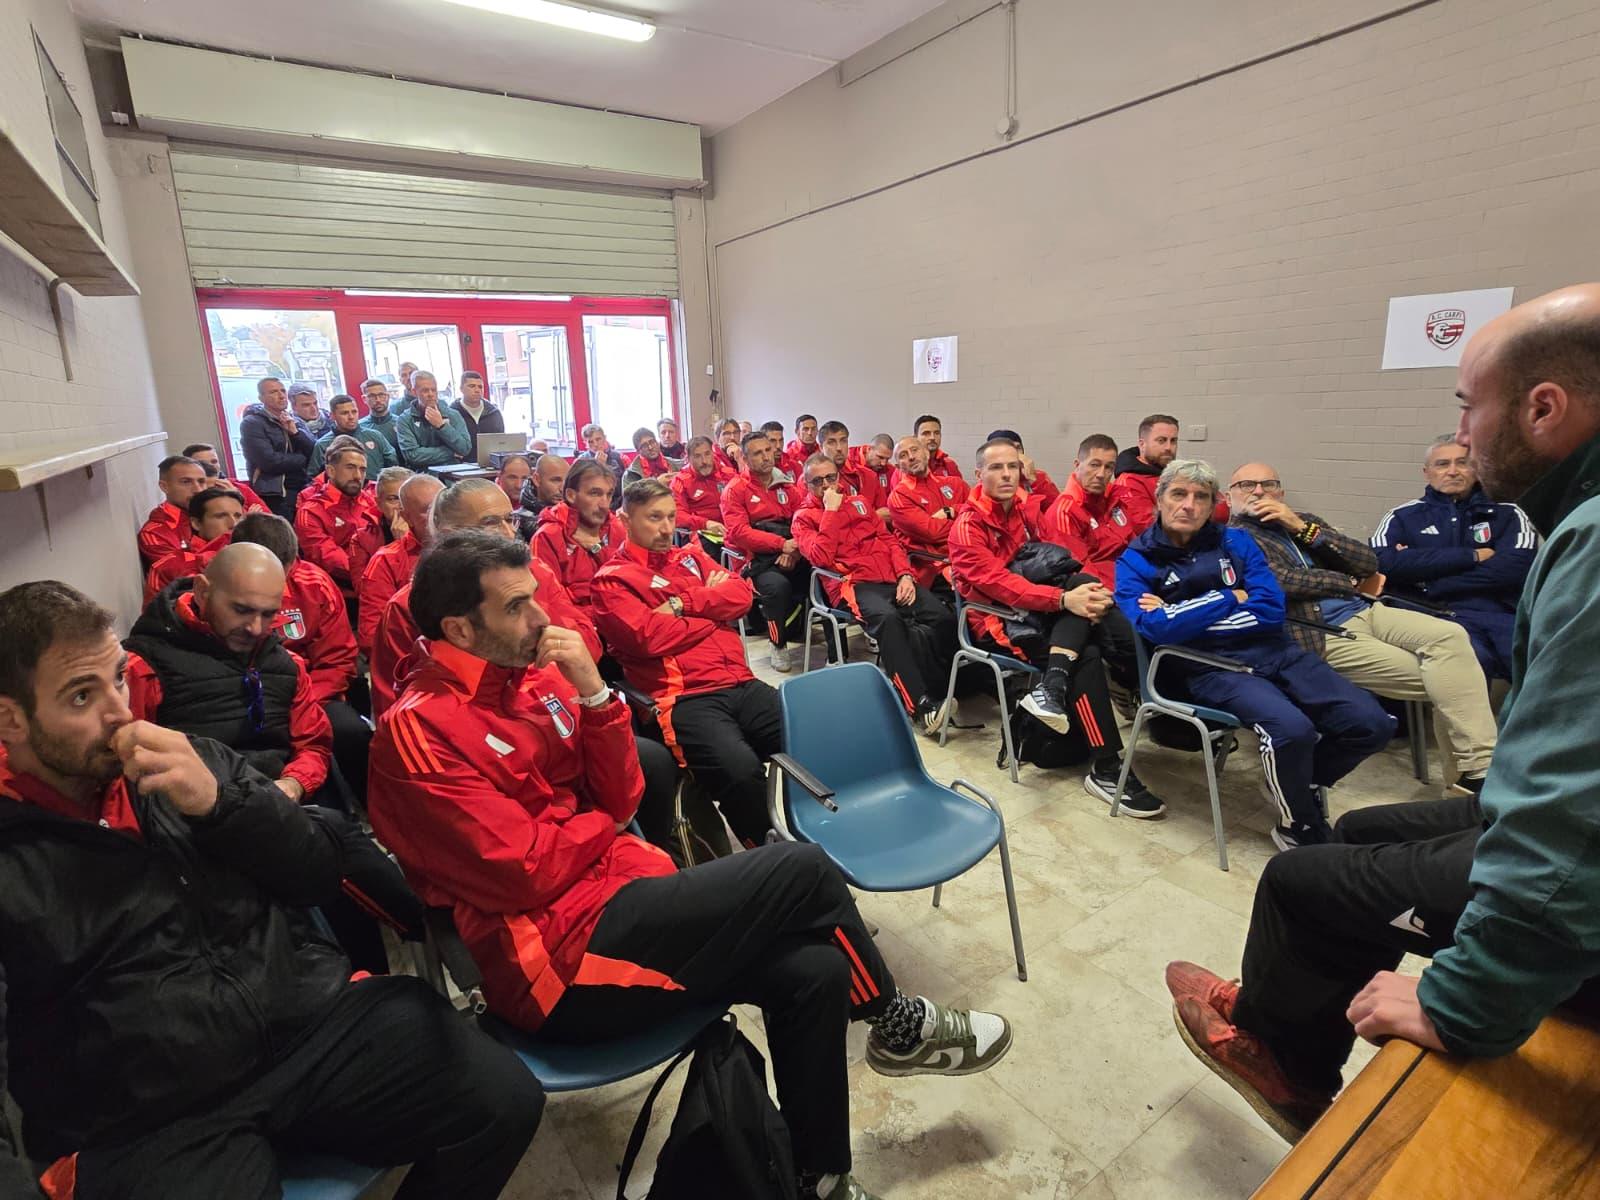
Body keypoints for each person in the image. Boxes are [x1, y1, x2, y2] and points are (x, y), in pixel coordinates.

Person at [371, 530, 1012, 1200]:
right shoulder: (418, 730)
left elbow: (622, 797)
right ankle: (895, 1023)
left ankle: (816, 1178)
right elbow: (524, 871)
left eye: (536, 600)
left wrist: (594, 696)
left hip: (618, 904)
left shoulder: (536, 682)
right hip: (554, 966)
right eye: (516, 608)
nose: (541, 618)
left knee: (815, 970)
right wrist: (596, 826)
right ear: (458, 628)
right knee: (798, 868)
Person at [1166, 282, 1600, 1146]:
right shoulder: (1224, 541)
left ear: (1544, 408)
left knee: (1300, 874)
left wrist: (1462, 1005)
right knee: (1363, 829)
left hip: (1570, 864)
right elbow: (1291, 588)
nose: (1460, 440)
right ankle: (1292, 1002)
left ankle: (1282, 1056)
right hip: (1286, 640)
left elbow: (1572, 827)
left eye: (1466, 410)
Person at [0, 580, 541, 1200]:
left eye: (119, 679)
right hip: (146, 1117)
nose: (119, 713)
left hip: (304, 1022)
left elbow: (313, 872)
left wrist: (221, 805)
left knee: (503, 1101)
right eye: (80, 696)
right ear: (9, 717)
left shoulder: (191, 759)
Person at [1117, 459, 1393, 848]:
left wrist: (1186, 615)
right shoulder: (1136, 559)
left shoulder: (1237, 542)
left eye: (1201, 497)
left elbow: (1269, 609)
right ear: (1160, 500)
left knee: (1372, 722)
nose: (1188, 505)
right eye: (1178, 494)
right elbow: (1157, 629)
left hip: (1277, 650)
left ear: (1214, 504)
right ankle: (1300, 826)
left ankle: (1298, 778)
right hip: (1211, 667)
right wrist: (1230, 596)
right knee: (1291, 730)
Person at [1229, 462, 1497, 794]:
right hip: (1318, 630)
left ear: (1281, 492)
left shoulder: (1306, 523)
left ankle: (1476, 772)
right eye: (1247, 485)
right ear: (1230, 497)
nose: (1258, 491)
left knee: (1454, 639)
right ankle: (1472, 781)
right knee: (1451, 680)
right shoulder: (1234, 538)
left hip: (1369, 610)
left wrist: (1300, 527)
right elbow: (1281, 582)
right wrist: (1347, 581)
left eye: (1268, 484)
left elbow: (1368, 562)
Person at [949, 438, 1163, 814]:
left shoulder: (1023, 509)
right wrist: (1063, 600)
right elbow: (1001, 586)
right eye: (996, 468)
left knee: (1082, 586)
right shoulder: (968, 527)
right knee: (1088, 652)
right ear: (979, 474)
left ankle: (1059, 692)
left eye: (1013, 467)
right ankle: (1107, 765)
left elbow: (1055, 551)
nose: (1006, 475)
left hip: (1042, 611)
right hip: (999, 618)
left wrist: (1071, 596)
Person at [592, 479, 778, 845]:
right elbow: (648, 637)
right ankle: (773, 857)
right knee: (741, 773)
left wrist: (684, 605)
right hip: (686, 699)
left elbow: (741, 595)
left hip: (742, 681)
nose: (666, 528)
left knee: (817, 736)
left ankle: (822, 827)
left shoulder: (690, 557)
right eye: (654, 518)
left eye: (671, 516)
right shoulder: (612, 581)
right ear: (625, 520)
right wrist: (714, 613)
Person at [794, 454, 957, 733]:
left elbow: (889, 541)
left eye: (831, 478)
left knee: (942, 616)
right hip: (853, 585)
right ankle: (919, 707)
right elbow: (820, 557)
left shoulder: (859, 503)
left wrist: (906, 574)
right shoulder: (803, 518)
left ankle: (943, 688)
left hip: (893, 579)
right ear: (806, 485)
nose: (826, 485)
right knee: (890, 621)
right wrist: (831, 512)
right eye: (817, 481)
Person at [229, 513, 369, 805]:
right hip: (239, 696)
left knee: (352, 733)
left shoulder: (316, 586)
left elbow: (338, 659)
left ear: (293, 561)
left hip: (312, 693)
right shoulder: (218, 590)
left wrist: (300, 705)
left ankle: (367, 806)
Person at [1370, 436, 1537, 681]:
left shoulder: (1509, 512)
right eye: (1442, 464)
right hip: (1433, 613)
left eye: (1462, 463)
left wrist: (1431, 580)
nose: (1452, 471)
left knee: (1537, 668)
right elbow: (1383, 563)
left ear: (1477, 468)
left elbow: (1515, 569)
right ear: (1427, 472)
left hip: (1500, 612)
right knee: (1470, 666)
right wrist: (1471, 556)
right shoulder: (1401, 516)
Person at [721, 429, 810, 672]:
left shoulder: (788, 486)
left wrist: (794, 551)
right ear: (746, 459)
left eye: (768, 450)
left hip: (791, 551)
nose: (766, 457)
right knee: (777, 587)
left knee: (823, 571)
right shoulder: (735, 490)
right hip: (753, 561)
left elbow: (804, 521)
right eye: (758, 453)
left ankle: (835, 649)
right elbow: (740, 533)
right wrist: (781, 545)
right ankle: (777, 643)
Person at [359, 474, 444, 652]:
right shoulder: (385, 561)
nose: (438, 516)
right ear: (406, 517)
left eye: (443, 506)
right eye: (427, 510)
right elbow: (372, 636)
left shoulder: (468, 550)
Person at [1038, 434, 1136, 590]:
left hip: (1131, 582)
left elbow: (1134, 546)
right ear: (1077, 465)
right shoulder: (1065, 511)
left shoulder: (1116, 499)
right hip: (1103, 594)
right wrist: (1126, 594)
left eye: (1109, 467)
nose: (1101, 474)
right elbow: (1079, 571)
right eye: (1094, 465)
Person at [530, 459, 628, 610]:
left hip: (620, 615)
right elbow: (550, 601)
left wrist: (597, 548)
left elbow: (630, 581)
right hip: (578, 626)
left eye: (608, 495)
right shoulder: (547, 536)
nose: (604, 504)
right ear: (571, 495)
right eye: (594, 493)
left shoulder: (617, 527)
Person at [1109, 413, 1230, 532]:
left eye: (1173, 441)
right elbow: (1150, 528)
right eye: (1161, 440)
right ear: (1142, 444)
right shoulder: (1128, 482)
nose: (1168, 447)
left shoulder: (1178, 472)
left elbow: (1222, 510)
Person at [294, 437, 383, 594]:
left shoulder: (373, 501)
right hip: (338, 594)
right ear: (331, 471)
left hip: (379, 584)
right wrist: (377, 574)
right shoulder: (311, 511)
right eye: (350, 467)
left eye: (362, 469)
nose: (358, 476)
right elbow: (328, 558)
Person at [143, 487, 247, 602]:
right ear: (196, 523)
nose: (234, 524)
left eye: (238, 516)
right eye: (221, 516)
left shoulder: (257, 555)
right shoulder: (170, 566)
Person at [888, 435, 965, 589]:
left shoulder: (956, 484)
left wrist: (950, 511)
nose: (910, 457)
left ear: (926, 453)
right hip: (937, 567)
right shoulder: (899, 496)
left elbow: (978, 515)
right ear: (898, 467)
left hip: (972, 555)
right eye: (903, 455)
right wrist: (964, 522)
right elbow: (932, 532)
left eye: (914, 450)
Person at [240, 378, 316, 520]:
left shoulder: (295, 420)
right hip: (275, 492)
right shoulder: (252, 423)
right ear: (261, 398)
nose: (281, 395)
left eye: (283, 391)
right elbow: (269, 461)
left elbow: (315, 452)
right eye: (274, 392)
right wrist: (303, 459)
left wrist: (296, 434)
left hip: (304, 487)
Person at [138, 455, 209, 567]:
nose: (198, 490)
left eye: (201, 482)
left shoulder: (216, 514)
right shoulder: (156, 532)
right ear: (164, 487)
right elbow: (181, 571)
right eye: (186, 482)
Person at [670, 434, 734, 556]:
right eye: (697, 456)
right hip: (699, 532)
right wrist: (706, 523)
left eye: (707, 454)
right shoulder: (680, 481)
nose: (704, 461)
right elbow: (677, 515)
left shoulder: (728, 474)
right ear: (688, 458)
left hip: (729, 528)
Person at [309, 394, 398, 480]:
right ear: (332, 416)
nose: (351, 417)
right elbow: (314, 478)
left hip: (375, 491)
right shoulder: (323, 445)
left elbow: (393, 463)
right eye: (344, 413)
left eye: (354, 411)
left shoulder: (374, 435)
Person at [819, 421, 891, 523]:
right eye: (832, 442)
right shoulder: (813, 481)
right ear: (821, 447)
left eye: (843, 441)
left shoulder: (869, 476)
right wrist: (873, 516)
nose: (839, 448)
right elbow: (822, 523)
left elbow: (886, 514)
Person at [396, 372, 471, 468]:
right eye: (425, 391)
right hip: (422, 477)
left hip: (452, 477)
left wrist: (442, 426)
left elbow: (465, 448)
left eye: (434, 390)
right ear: (414, 392)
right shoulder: (405, 420)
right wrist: (451, 453)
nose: (430, 394)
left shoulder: (453, 414)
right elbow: (412, 455)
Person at [985, 428, 1059, 514]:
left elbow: (1056, 510)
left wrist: (1033, 480)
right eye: (1007, 449)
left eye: (1018, 448)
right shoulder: (989, 479)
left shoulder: (1038, 476)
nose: (1015, 453)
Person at [183, 442, 269, 512]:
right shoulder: (188, 495)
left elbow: (269, 518)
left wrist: (237, 496)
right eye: (203, 463)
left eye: (214, 461)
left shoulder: (239, 487)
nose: (211, 466)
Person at [451, 370, 504, 462]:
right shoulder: (452, 412)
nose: (477, 390)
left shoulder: (494, 412)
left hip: (490, 463)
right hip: (461, 465)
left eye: (480, 387)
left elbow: (501, 441)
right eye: (472, 386)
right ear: (461, 389)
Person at [576, 423, 627, 508]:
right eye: (590, 442)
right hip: (595, 506)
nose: (595, 444)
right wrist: (598, 467)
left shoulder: (619, 457)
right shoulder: (581, 461)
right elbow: (582, 490)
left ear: (604, 438)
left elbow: (626, 483)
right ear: (585, 443)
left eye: (598, 439)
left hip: (619, 503)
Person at [493, 453, 538, 541]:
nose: (519, 485)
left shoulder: (535, 503)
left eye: (524, 478)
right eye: (512, 478)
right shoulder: (488, 503)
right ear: (499, 476)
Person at [359, 377, 403, 463]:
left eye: (381, 395)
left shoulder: (402, 423)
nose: (378, 400)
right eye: (372, 396)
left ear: (388, 396)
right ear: (364, 399)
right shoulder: (359, 427)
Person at [518, 452, 569, 521]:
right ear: (536, 479)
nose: (562, 489)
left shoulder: (574, 515)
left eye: (566, 481)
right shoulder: (518, 521)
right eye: (555, 480)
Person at [914, 414, 964, 481]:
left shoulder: (950, 465)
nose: (932, 437)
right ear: (915, 438)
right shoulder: (906, 467)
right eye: (926, 433)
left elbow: (960, 489)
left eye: (936, 433)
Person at [374, 464, 412, 543]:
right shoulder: (361, 539)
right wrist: (401, 544)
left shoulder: (429, 533)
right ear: (379, 504)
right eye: (393, 499)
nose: (402, 505)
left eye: (407, 498)